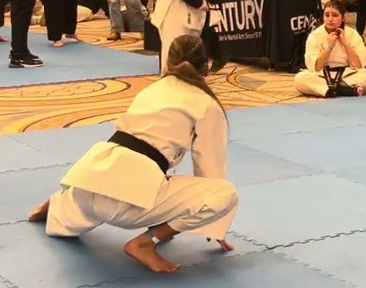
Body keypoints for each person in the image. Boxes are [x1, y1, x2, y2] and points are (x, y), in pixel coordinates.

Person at [28, 35, 238, 272]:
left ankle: (59, 202)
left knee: (142, 172)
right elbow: (210, 169)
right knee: (224, 193)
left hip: (88, 183)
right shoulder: (206, 104)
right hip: (128, 203)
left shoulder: (152, 89)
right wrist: (214, 224)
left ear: (169, 61)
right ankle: (146, 243)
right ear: (205, 65)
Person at [293, 0, 366, 98]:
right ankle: (345, 90)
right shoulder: (315, 35)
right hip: (323, 75)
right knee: (300, 79)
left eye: (335, 15)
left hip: (346, 74)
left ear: (343, 18)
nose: (330, 19)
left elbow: (358, 66)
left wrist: (345, 44)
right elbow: (316, 67)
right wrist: (329, 47)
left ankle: (329, 89)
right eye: (327, 15)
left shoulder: (352, 34)